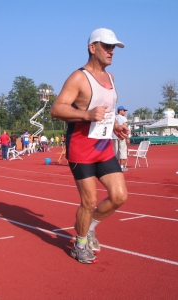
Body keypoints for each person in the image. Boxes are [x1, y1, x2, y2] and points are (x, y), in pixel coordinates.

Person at [50, 28, 129, 264]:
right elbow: (57, 109)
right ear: (92, 48)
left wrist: (115, 126)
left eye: (113, 47)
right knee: (89, 201)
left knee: (119, 196)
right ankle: (80, 244)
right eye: (106, 46)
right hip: (80, 148)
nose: (111, 51)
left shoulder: (112, 78)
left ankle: (89, 226)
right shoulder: (79, 77)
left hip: (103, 147)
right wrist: (87, 115)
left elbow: (106, 109)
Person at [113, 106, 129, 171]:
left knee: (115, 151)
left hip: (114, 136)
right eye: (124, 111)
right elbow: (125, 129)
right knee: (122, 150)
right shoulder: (123, 118)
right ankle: (121, 166)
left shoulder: (114, 118)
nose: (125, 112)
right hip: (121, 136)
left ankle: (115, 166)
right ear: (120, 111)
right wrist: (127, 137)